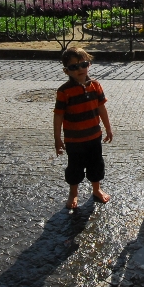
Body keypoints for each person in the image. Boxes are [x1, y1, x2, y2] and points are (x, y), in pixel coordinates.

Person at [54, 46, 113, 209]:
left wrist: (108, 128)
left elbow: (101, 108)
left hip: (94, 135)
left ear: (89, 65)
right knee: (75, 167)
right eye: (74, 66)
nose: (80, 69)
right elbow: (58, 115)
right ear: (66, 71)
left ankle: (97, 189)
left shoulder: (95, 85)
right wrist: (57, 138)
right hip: (74, 139)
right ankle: (73, 193)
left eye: (84, 64)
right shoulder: (64, 91)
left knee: (96, 164)